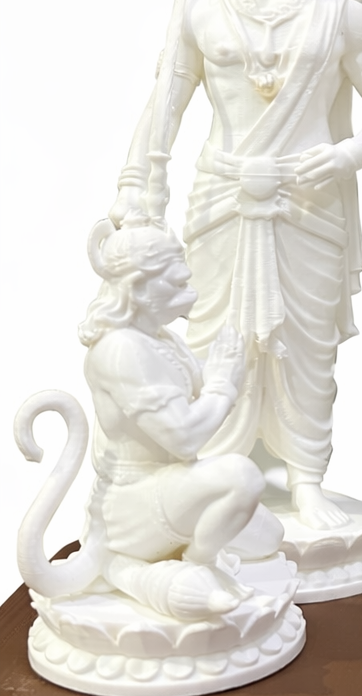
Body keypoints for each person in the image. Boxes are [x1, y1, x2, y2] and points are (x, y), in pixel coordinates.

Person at [112, 0, 362, 530]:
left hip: (308, 200)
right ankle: (217, 476)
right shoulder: (202, 15)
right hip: (223, 199)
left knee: (307, 345)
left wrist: (349, 154)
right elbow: (163, 110)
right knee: (217, 336)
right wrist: (134, 186)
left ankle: (307, 480)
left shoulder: (342, 15)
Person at [16, 221, 278, 621]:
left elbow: (199, 391)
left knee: (268, 537)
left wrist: (232, 365)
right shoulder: (120, 349)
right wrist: (224, 384)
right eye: (175, 280)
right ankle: (194, 562)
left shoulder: (160, 338)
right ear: (137, 288)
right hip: (135, 498)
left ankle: (123, 567)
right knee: (242, 478)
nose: (188, 285)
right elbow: (185, 437)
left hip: (171, 484)